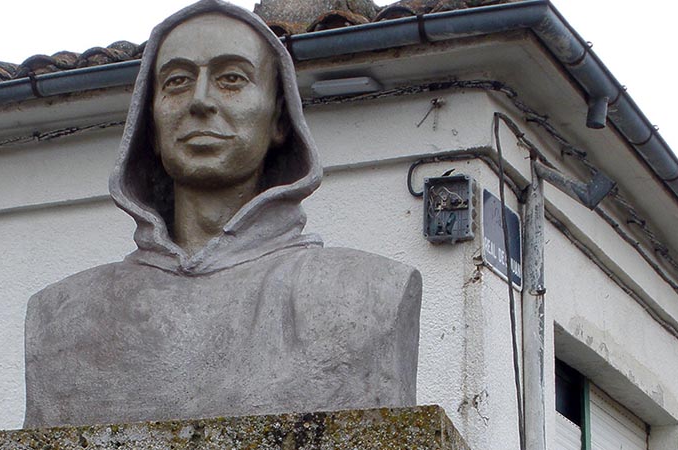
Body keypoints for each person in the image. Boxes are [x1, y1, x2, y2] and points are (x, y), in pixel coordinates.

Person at [24, 0, 422, 428]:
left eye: (232, 78)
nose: (200, 101)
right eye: (176, 81)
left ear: (278, 121)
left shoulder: (369, 293)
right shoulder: (61, 316)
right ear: (151, 125)